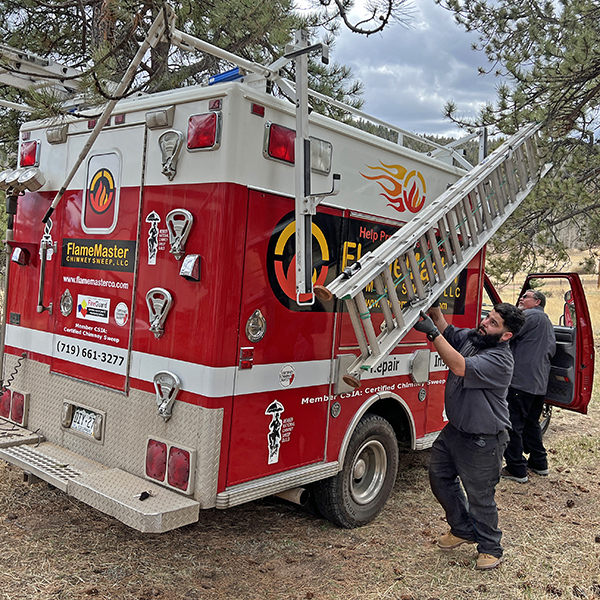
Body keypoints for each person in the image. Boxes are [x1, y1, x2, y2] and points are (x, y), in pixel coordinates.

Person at [413, 302, 525, 571]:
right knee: (439, 477)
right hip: (455, 431)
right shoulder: (476, 338)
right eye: (488, 317)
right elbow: (449, 331)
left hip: (483, 439)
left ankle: (490, 547)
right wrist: (434, 312)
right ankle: (462, 528)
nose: (485, 323)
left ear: (506, 335)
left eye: (494, 323)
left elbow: (459, 366)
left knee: (480, 496)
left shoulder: (500, 359)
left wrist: (431, 333)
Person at [501, 289, 556, 483]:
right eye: (521, 296)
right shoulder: (547, 322)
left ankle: (516, 468)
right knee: (531, 424)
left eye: (526, 297)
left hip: (521, 382)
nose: (521, 299)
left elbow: (506, 334)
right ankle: (539, 463)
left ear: (538, 302)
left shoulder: (530, 316)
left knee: (512, 425)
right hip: (539, 384)